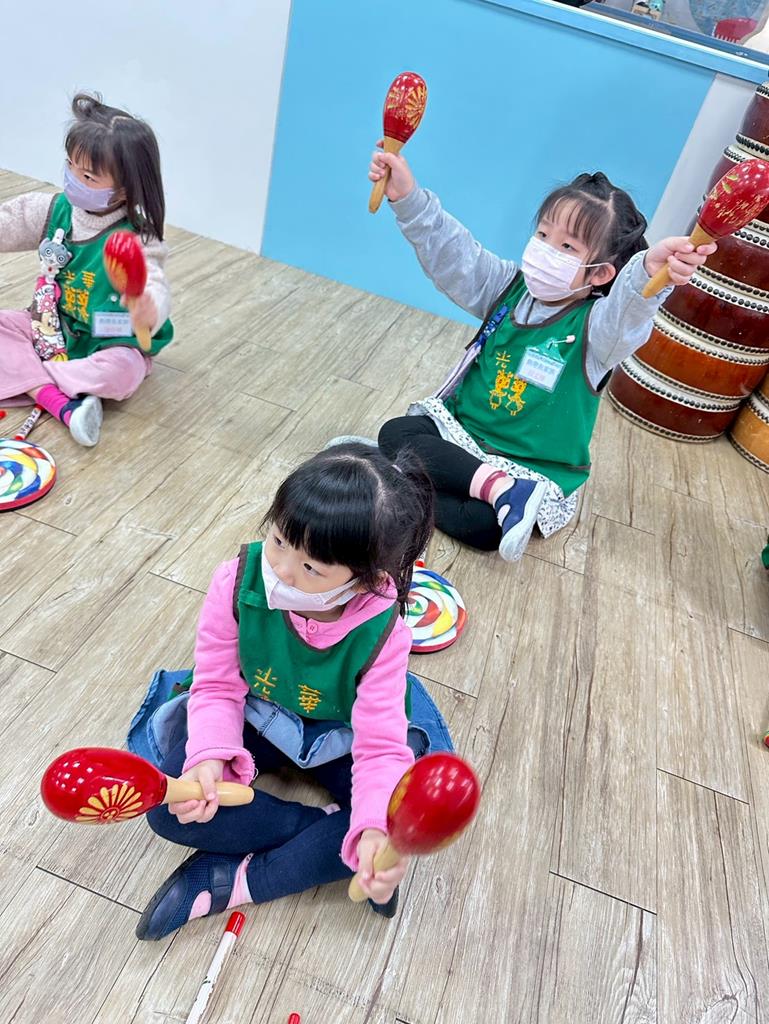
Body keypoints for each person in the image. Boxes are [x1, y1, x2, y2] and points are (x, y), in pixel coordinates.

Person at [133, 443, 453, 940]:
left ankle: (241, 881)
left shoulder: (383, 634)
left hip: (341, 734)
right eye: (280, 540)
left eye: (312, 569)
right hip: (259, 713)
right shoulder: (236, 581)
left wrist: (372, 828)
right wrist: (209, 758)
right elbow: (216, 685)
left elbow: (379, 748)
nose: (281, 568)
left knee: (394, 815)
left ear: (364, 580)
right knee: (167, 801)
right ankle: (320, 833)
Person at [365, 148, 716, 561]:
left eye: (567, 246)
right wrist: (408, 198)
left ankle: (418, 482)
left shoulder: (599, 331)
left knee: (483, 526)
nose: (546, 249)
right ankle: (486, 487)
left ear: (600, 273)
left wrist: (645, 274)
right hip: (461, 436)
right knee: (397, 432)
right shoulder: (507, 288)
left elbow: (629, 311)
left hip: (529, 466)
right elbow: (454, 255)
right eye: (544, 235)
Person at [0, 93, 173, 446]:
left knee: (121, 373)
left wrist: (148, 308)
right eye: (71, 166)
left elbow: (154, 283)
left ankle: (31, 380)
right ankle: (62, 398)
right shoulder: (54, 209)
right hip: (53, 327)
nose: (75, 179)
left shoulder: (138, 239)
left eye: (89, 176)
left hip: (111, 340)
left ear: (125, 189)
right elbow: (10, 220)